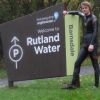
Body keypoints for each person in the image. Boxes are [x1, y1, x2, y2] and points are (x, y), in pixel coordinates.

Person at [63, 1, 100, 89]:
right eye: (83, 8)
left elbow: (95, 32)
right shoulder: (83, 15)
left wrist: (91, 44)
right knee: (77, 63)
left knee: (95, 66)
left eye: (85, 8)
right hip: (85, 45)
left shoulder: (93, 18)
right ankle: (75, 84)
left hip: (92, 45)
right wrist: (67, 12)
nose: (84, 10)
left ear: (89, 8)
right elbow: (77, 12)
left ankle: (96, 85)